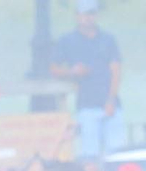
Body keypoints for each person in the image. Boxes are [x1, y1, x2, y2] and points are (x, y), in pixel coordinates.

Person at [50, 0, 122, 160]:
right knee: (90, 156)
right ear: (77, 15)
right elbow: (54, 68)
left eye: (92, 13)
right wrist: (72, 72)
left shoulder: (108, 40)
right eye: (85, 13)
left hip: (110, 106)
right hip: (86, 106)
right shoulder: (67, 41)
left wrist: (111, 100)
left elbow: (116, 71)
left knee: (116, 155)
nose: (88, 17)